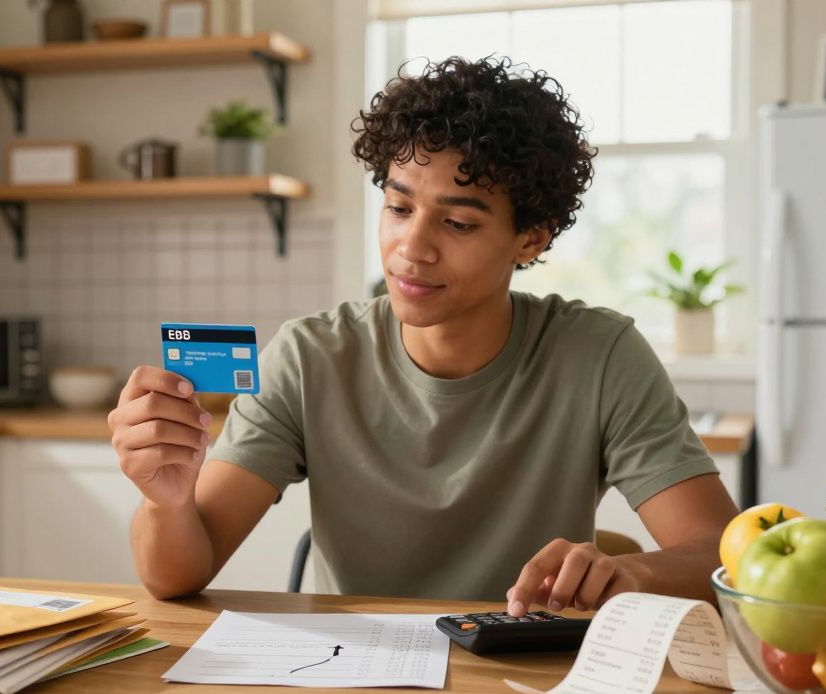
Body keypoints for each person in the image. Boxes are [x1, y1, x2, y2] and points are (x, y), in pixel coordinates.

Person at [108, 57, 738, 614]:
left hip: (523, 683)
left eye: (458, 223)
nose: (412, 249)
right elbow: (175, 579)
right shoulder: (309, 358)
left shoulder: (599, 357)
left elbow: (721, 556)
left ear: (531, 238)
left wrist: (630, 571)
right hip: (348, 682)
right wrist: (167, 501)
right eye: (399, 207)